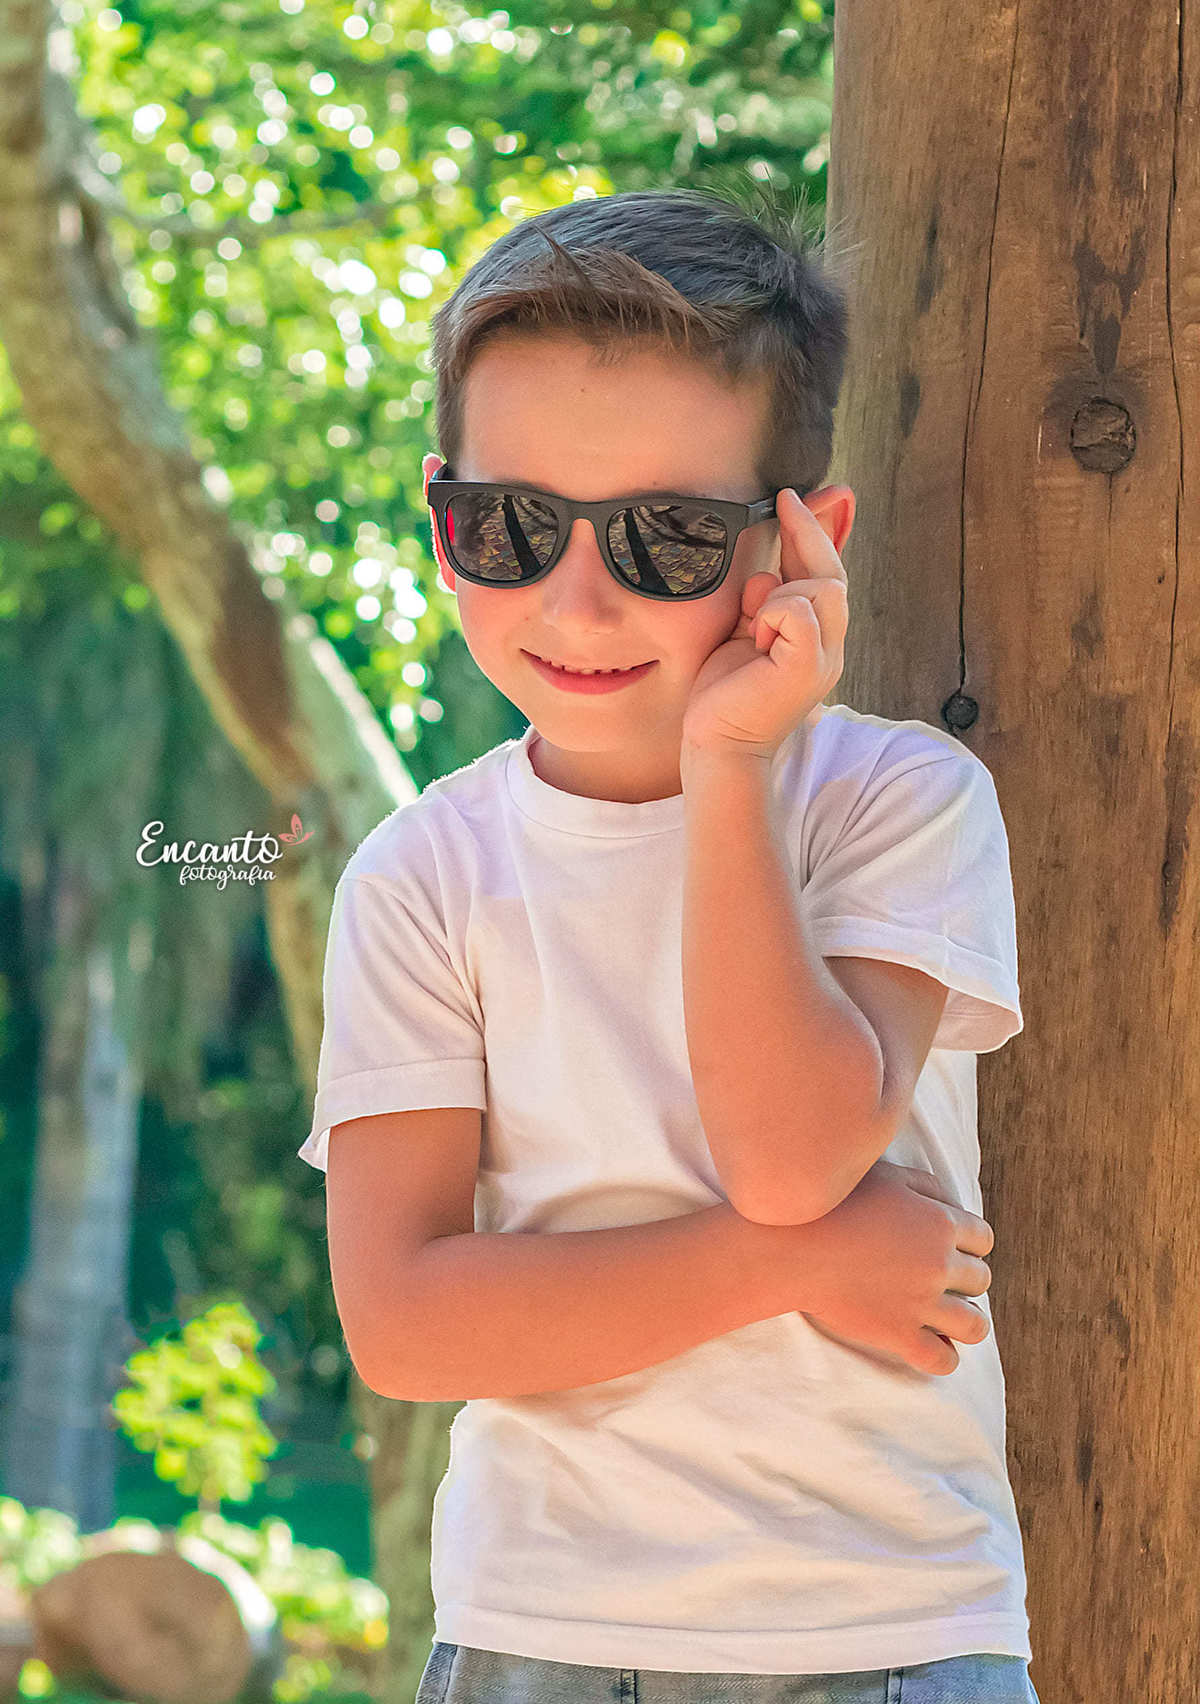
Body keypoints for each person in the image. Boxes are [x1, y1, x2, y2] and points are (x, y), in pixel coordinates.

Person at [297, 187, 1039, 1704]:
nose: (574, 598)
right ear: (441, 513)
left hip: (892, 1639)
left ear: (797, 545)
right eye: (508, 526)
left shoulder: (900, 805)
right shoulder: (423, 879)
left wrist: (730, 770)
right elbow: (408, 1321)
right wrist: (803, 1266)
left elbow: (789, 1155)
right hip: (539, 1642)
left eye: (666, 537)